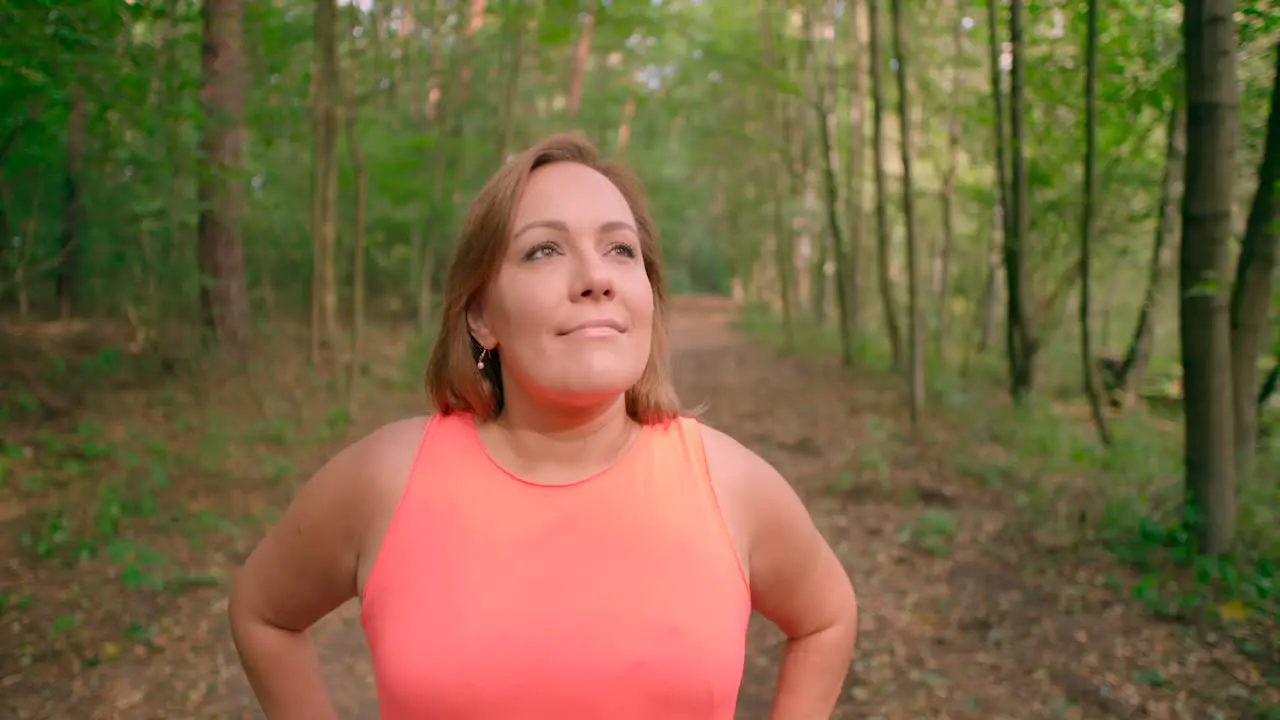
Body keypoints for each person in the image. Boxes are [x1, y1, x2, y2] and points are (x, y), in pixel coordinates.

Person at [228, 132, 858, 719]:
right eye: (544, 250)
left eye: (619, 248)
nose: (595, 278)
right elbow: (264, 614)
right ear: (481, 316)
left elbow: (827, 617)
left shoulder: (731, 485)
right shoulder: (385, 479)